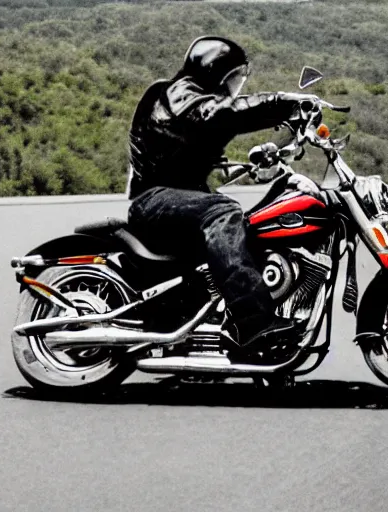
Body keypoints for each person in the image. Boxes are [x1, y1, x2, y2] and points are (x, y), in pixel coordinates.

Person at [126, 36, 319, 350]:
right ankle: (253, 321)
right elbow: (220, 113)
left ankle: (223, 317)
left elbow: (201, 157)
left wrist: (267, 157)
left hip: (174, 198)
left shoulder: (192, 106)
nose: (235, 88)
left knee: (251, 220)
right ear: (214, 70)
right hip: (153, 200)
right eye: (234, 79)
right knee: (223, 212)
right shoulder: (175, 93)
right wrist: (287, 102)